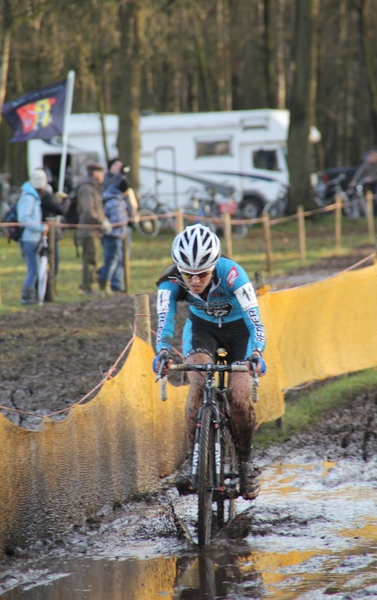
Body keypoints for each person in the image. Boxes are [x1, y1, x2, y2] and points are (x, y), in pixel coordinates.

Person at [152, 224, 266, 500]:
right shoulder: (171, 281)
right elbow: (165, 322)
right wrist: (163, 352)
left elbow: (255, 323)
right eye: (188, 274)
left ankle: (244, 463)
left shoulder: (233, 275)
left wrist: (257, 353)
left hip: (240, 333)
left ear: (214, 265)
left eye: (202, 273)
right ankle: (194, 462)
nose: (194, 280)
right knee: (198, 384)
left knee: (238, 397)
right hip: (202, 331)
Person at [76, 162, 112, 295]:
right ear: (95, 174)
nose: (103, 176)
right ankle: (88, 287)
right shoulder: (87, 188)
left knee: (93, 258)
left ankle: (89, 285)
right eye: (101, 173)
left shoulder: (92, 187)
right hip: (88, 230)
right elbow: (88, 210)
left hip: (93, 230)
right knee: (90, 259)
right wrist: (101, 221)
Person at [17, 169, 49, 305]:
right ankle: (26, 297)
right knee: (34, 269)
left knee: (34, 269)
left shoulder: (33, 197)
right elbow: (24, 218)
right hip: (29, 239)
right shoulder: (29, 198)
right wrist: (40, 227)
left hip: (33, 238)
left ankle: (30, 296)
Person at [99, 175, 130, 293]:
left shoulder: (110, 197)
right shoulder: (117, 202)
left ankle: (112, 281)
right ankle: (104, 281)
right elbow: (118, 220)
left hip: (113, 234)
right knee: (112, 260)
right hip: (114, 235)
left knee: (115, 259)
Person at [349, 150, 377, 216]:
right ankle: (366, 214)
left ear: (375, 158)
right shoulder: (367, 163)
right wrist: (354, 180)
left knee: (376, 199)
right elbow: (360, 171)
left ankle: (376, 215)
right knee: (365, 197)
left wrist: (372, 178)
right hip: (368, 184)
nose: (370, 160)